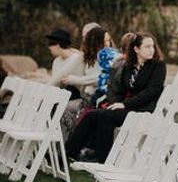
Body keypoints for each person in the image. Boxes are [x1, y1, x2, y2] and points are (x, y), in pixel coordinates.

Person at [66, 32, 166, 163]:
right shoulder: (129, 66)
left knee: (105, 116)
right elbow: (119, 89)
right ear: (136, 49)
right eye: (147, 47)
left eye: (152, 46)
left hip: (144, 111)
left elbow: (151, 92)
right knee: (94, 115)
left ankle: (99, 159)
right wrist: (114, 103)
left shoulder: (158, 66)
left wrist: (125, 104)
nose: (151, 50)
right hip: (128, 108)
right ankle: (72, 154)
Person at [60, 26, 114, 141]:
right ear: (95, 42)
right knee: (60, 108)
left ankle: (69, 147)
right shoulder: (90, 58)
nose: (107, 44)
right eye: (104, 41)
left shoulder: (110, 57)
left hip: (100, 100)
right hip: (86, 98)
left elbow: (100, 79)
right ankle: (64, 146)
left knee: (65, 109)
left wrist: (74, 80)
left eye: (108, 40)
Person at [46, 28, 84, 98]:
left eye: (50, 44)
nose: (49, 48)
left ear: (57, 45)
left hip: (78, 94)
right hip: (62, 94)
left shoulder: (76, 58)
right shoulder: (56, 61)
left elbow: (56, 81)